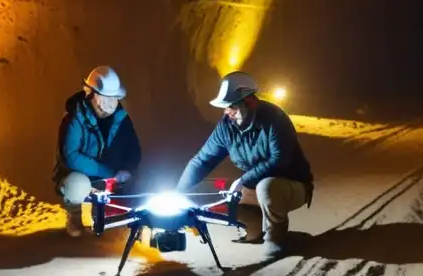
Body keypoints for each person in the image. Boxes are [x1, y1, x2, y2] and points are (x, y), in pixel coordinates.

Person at [176, 71, 313, 245]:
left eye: (231, 106)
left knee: (266, 187)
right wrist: (179, 191)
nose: (227, 112)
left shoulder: (274, 119)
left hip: (290, 186)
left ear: (249, 102)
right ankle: (255, 230)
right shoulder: (227, 127)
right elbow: (203, 160)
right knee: (223, 192)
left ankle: (276, 237)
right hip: (255, 186)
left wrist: (244, 180)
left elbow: (279, 160)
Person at [53, 66, 142, 236]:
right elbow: (71, 157)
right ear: (90, 94)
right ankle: (75, 215)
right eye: (104, 96)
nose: (109, 103)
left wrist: (128, 169)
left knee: (140, 181)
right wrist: (108, 172)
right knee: (76, 185)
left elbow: (134, 149)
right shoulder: (74, 118)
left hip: (112, 174)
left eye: (113, 97)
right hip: (83, 175)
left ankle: (121, 220)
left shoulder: (121, 117)